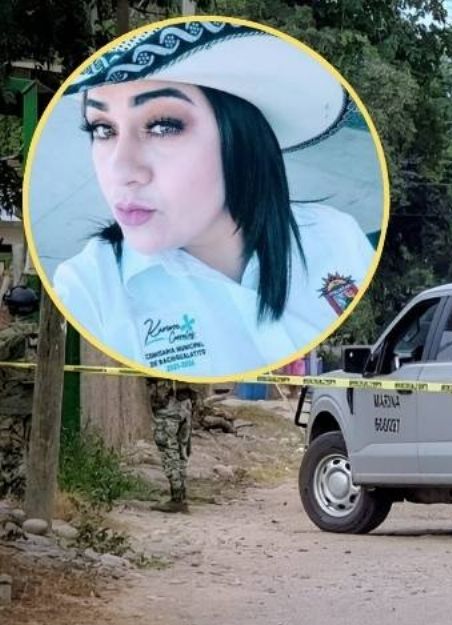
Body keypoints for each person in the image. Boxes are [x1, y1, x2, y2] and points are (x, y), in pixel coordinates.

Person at [46, 20, 377, 378]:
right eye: (102, 129)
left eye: (163, 126)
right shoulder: (88, 289)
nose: (121, 169)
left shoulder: (336, 237)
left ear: (241, 139)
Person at [0, 286, 37, 498]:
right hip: (39, 405)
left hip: (10, 406)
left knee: (9, 454)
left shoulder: (9, 336)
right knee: (34, 452)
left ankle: (12, 498)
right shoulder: (46, 332)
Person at [147, 377, 195, 513]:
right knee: (181, 452)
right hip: (185, 401)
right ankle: (181, 497)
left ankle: (177, 499)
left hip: (168, 404)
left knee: (170, 452)